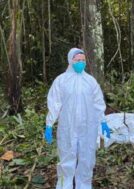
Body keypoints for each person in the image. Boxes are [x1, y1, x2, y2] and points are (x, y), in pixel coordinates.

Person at [44, 48, 111, 189]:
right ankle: (64, 186)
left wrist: (103, 121)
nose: (81, 63)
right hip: (68, 127)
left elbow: (98, 103)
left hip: (88, 128)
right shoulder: (61, 81)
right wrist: (49, 123)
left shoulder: (90, 81)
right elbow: (54, 103)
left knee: (87, 159)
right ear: (70, 60)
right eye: (77, 60)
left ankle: (84, 186)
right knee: (66, 159)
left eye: (83, 60)